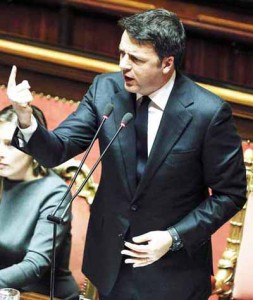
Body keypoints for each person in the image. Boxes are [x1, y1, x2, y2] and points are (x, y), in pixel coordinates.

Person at [6, 8, 246, 300]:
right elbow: (58, 149)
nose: (123, 66)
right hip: (110, 263)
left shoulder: (207, 113)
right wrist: (26, 118)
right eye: (121, 54)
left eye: (136, 59)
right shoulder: (106, 90)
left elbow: (230, 194)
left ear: (167, 63)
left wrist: (173, 238)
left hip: (172, 272)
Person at [0, 105, 79, 299]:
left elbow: (36, 264)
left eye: (10, 144)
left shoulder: (55, 193)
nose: (0, 152)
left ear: (33, 146)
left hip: (40, 295)